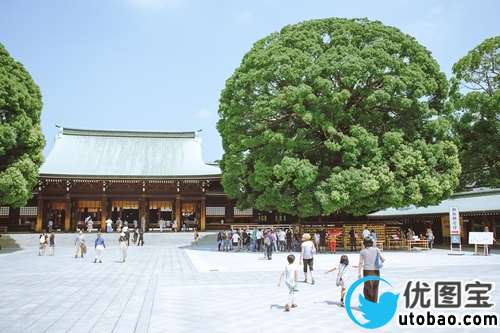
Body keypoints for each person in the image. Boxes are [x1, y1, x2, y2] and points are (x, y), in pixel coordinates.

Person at [358, 238, 385, 303]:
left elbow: (360, 263)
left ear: (364, 244)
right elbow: (383, 259)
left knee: (367, 289)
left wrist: (359, 273)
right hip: (376, 271)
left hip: (367, 271)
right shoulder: (376, 249)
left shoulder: (362, 251)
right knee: (375, 288)